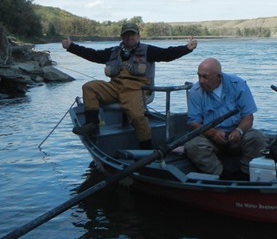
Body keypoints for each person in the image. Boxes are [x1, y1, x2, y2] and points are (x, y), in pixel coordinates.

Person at [62, 22, 197, 149]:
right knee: (89, 87)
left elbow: (168, 54)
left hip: (135, 90)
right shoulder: (113, 52)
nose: (129, 37)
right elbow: (92, 54)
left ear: (138, 36)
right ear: (122, 37)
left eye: (132, 34)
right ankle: (92, 125)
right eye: (126, 35)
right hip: (114, 87)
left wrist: (187, 48)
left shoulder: (148, 50)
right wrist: (71, 47)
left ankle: (146, 149)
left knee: (138, 118)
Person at [184, 58, 267, 180]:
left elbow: (248, 117)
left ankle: (245, 174)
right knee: (192, 146)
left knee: (257, 138)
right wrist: (213, 133)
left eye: (205, 77)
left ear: (218, 76)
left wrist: (239, 131)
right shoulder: (195, 91)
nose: (201, 81)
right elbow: (194, 123)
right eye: (199, 76)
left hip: (236, 135)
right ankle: (222, 176)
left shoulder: (238, 84)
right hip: (210, 137)